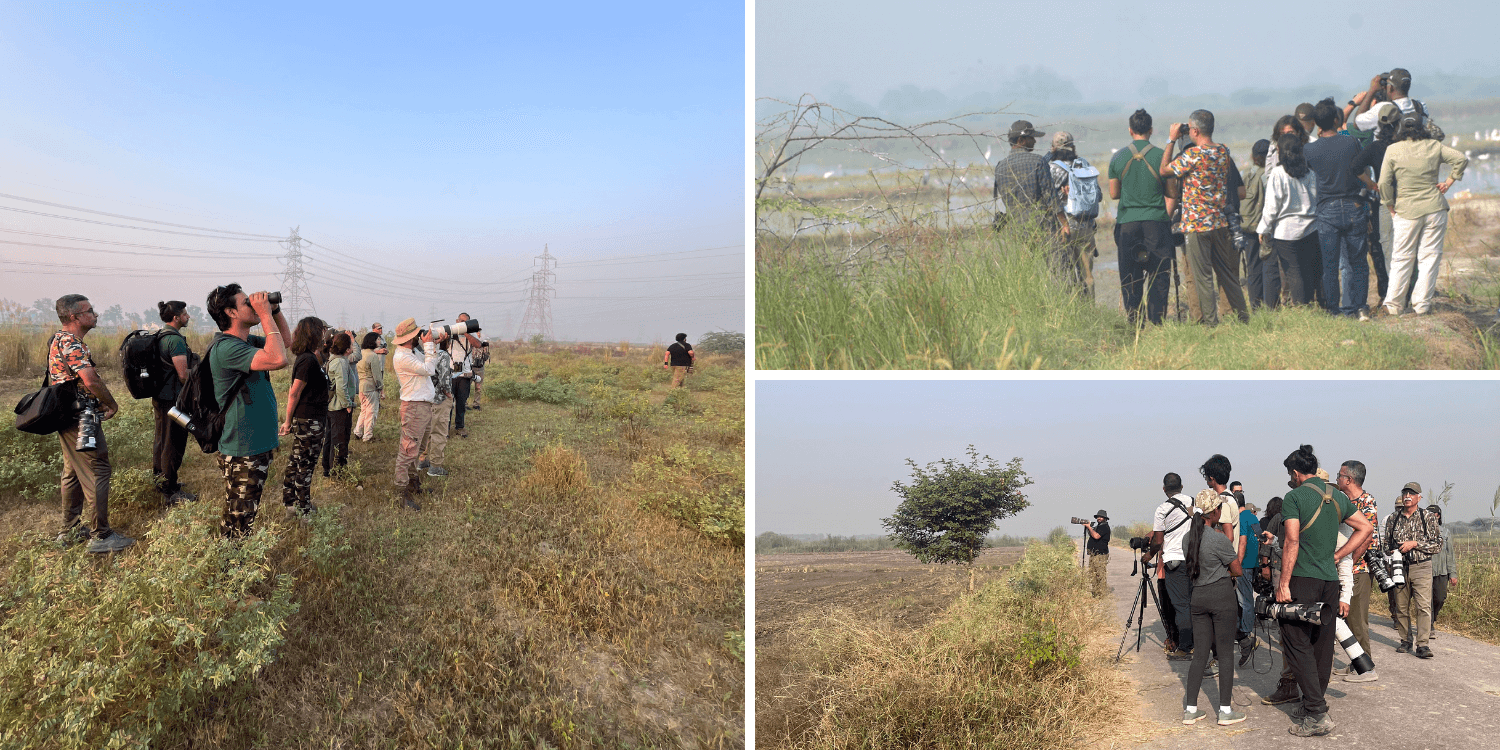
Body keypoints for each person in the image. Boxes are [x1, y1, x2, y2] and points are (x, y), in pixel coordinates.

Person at [1268, 444, 1373, 738]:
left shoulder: (1294, 497)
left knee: (1295, 640)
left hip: (1302, 578)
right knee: (1322, 646)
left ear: (1296, 473)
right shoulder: (1337, 496)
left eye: (1291, 474)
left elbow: (1291, 541)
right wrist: (1339, 556)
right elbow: (1365, 528)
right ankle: (1313, 702)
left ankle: (1316, 713)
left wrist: (1284, 584)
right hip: (1330, 581)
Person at [48, 295, 133, 553]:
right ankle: (101, 536)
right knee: (97, 470)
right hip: (81, 417)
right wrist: (111, 403)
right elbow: (90, 380)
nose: (95, 315)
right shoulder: (71, 343)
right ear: (74, 317)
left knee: (73, 472)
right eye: (90, 311)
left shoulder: (58, 339)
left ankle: (69, 529)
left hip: (67, 416)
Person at [206, 284, 292, 538]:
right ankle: (232, 569)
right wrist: (264, 314)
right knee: (239, 517)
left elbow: (285, 343)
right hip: (243, 447)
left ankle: (234, 563)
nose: (254, 306)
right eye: (247, 303)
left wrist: (274, 312)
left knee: (242, 512)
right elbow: (279, 359)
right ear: (231, 312)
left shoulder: (245, 341)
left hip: (254, 443)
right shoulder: (226, 348)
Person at [1161, 110, 1248, 325]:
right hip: (1220, 222)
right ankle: (1244, 319)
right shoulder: (1222, 152)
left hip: (1196, 226)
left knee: (1203, 278)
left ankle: (1211, 324)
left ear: (1196, 130)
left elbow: (1164, 170)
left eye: (1190, 129)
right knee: (1227, 275)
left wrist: (1171, 139)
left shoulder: (1191, 156)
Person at [1378, 112, 1469, 316]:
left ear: (1401, 128)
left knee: (1401, 258)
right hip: (1435, 208)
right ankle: (1422, 305)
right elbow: (1461, 159)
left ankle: (1393, 305)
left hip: (1406, 210)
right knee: (1429, 258)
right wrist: (1449, 181)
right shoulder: (1434, 146)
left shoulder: (1393, 150)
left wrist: (1389, 205)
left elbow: (1383, 182)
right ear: (1422, 127)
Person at [1304, 98, 1377, 318]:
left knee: (1330, 264)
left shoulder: (1310, 150)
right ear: (1337, 120)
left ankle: (1335, 310)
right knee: (1358, 262)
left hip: (1327, 210)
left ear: (1317, 123)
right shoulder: (1351, 142)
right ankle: (1359, 307)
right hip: (1354, 205)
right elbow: (1360, 169)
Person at [1180, 490, 1247, 727]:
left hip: (1197, 597)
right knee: (1226, 654)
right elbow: (1237, 570)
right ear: (1214, 512)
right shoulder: (1219, 538)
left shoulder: (1187, 538)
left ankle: (1190, 710)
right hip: (1221, 597)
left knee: (1200, 654)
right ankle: (1225, 711)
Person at [1109, 110, 1174, 325]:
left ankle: (1134, 322)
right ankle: (1157, 322)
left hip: (1127, 224)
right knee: (1159, 275)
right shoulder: (1161, 156)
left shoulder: (1118, 157)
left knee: (1130, 276)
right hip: (1156, 223)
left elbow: (1114, 194)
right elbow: (1172, 193)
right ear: (1151, 130)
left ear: (1130, 130)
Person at [1258, 134, 1320, 308]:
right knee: (1307, 269)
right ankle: (1309, 303)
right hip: (1311, 228)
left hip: (1286, 232)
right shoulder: (1310, 172)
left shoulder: (1278, 173)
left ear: (1280, 151)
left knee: (1293, 271)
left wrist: (1264, 229)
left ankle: (1301, 307)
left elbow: (1272, 206)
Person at [1332, 460, 1380, 682]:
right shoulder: (1344, 500)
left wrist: (1348, 562)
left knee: (1358, 620)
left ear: (1349, 479)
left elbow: (1366, 536)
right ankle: (1355, 663)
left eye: (1340, 475)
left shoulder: (1366, 502)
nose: (1337, 478)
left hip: (1357, 569)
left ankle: (1367, 667)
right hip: (1345, 566)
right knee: (1348, 619)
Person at [278, 317, 330, 518]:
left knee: (296, 461)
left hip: (310, 419)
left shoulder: (309, 357)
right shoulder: (307, 360)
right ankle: (303, 507)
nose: (324, 334)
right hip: (309, 421)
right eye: (321, 330)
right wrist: (287, 421)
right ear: (313, 333)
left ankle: (290, 503)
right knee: (305, 464)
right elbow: (294, 392)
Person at [1383, 482, 1442, 658]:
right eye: (1405, 493)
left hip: (1421, 566)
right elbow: (1385, 544)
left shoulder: (1428, 517)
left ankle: (1422, 645)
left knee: (1423, 607)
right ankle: (1405, 640)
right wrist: (1391, 552)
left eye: (1411, 493)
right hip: (1399, 567)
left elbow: (1437, 544)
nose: (1407, 496)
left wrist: (1415, 544)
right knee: (1401, 607)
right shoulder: (1393, 519)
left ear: (1419, 497)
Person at [993, 119, 1070, 253]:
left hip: (1016, 231)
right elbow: (1050, 196)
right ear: (1021, 140)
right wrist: (1064, 223)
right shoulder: (1037, 161)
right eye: (1031, 138)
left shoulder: (1000, 166)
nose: (1034, 141)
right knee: (1060, 268)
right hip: (1044, 228)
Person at [392, 318, 445, 509]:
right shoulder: (402, 357)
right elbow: (429, 369)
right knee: (408, 450)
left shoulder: (412, 352)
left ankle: (413, 483)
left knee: (418, 447)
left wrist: (433, 346)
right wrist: (429, 345)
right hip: (414, 407)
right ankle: (401, 492)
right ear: (411, 337)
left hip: (422, 406)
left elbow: (430, 362)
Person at [150, 300, 197, 505]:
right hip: (174, 400)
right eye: (185, 314)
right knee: (173, 443)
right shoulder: (175, 340)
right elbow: (183, 375)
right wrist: (201, 374)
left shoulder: (161, 335)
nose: (187, 317)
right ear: (177, 317)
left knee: (162, 439)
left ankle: (161, 481)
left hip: (161, 397)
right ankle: (170, 491)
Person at [1046, 131, 1102, 297]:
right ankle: (1090, 310)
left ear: (1053, 148)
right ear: (1073, 147)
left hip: (1063, 226)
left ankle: (1072, 308)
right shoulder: (1084, 166)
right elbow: (1098, 196)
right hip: (1086, 225)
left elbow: (1048, 200)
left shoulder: (1051, 169)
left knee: (1066, 272)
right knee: (1088, 275)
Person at [1151, 473, 1197, 659]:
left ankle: (1185, 647)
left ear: (1164, 489)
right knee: (1195, 603)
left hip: (1174, 561)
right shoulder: (1195, 503)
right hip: (1194, 559)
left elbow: (1158, 540)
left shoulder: (1162, 509)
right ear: (1182, 486)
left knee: (1181, 606)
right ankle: (1201, 643)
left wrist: (1149, 554)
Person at [1354, 69, 1442, 139]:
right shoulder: (1420, 106)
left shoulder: (1382, 108)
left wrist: (1372, 90)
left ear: (1391, 87)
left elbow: (1357, 124)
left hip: (1389, 157)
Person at [417, 337, 455, 478]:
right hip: (440, 399)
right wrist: (449, 394)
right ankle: (435, 466)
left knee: (427, 432)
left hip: (427, 398)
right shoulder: (443, 355)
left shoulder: (424, 354)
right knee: (439, 432)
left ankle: (423, 460)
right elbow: (445, 378)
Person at [1239, 140, 1270, 309]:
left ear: (1253, 156)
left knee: (1253, 268)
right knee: (1269, 266)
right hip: (1264, 227)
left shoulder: (1247, 174)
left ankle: (1255, 305)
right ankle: (1270, 303)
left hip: (1248, 226)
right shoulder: (1268, 175)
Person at [1232, 482, 1261, 659]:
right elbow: (1260, 536)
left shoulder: (1240, 518)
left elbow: (1242, 542)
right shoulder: (1252, 517)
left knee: (1244, 601)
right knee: (1247, 598)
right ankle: (1246, 632)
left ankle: (1246, 634)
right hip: (1253, 563)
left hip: (1242, 565)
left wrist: (1237, 565)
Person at [323, 332, 357, 477]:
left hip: (331, 406)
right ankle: (338, 471)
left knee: (330, 438)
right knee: (340, 440)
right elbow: (341, 387)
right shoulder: (341, 362)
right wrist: (347, 404)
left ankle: (328, 468)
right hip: (339, 407)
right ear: (347, 347)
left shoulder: (333, 359)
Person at [447, 312, 481, 439]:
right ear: (456, 321)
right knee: (448, 403)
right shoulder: (450, 334)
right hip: (450, 374)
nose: (461, 323)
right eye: (460, 321)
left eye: (464, 322)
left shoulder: (469, 336)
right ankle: (445, 428)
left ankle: (460, 427)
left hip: (465, 374)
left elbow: (478, 345)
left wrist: (465, 332)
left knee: (461, 402)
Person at [1427, 505, 1456, 637]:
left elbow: (1450, 555)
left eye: (1435, 514)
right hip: (1425, 570)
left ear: (1439, 516)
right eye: (1429, 513)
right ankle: (1429, 625)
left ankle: (1433, 618)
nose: (1433, 516)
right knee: (1427, 600)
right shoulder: (1421, 531)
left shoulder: (1446, 532)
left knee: (1440, 597)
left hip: (1442, 571)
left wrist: (1453, 574)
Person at [354, 325, 387, 442]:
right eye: (378, 339)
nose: (379, 341)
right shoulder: (373, 356)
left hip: (361, 386)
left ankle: (357, 432)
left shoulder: (360, 353)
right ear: (372, 341)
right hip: (370, 387)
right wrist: (381, 389)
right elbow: (377, 376)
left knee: (363, 410)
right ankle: (367, 436)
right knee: (371, 412)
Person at [1081, 509, 1110, 597]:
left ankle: (1101, 594)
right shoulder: (1098, 526)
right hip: (1094, 554)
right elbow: (1092, 535)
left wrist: (1089, 527)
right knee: (1092, 573)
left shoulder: (1104, 527)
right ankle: (1095, 593)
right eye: (1098, 517)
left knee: (1100, 574)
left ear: (1105, 518)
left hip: (1100, 555)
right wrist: (1088, 528)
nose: (1099, 518)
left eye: (1101, 517)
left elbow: (1096, 536)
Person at [470, 340, 490, 410]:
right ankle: (464, 404)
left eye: (479, 333)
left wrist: (485, 348)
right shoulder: (470, 342)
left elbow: (486, 357)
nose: (478, 334)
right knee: (467, 386)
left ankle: (476, 404)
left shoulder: (483, 344)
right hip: (471, 367)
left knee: (478, 388)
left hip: (480, 368)